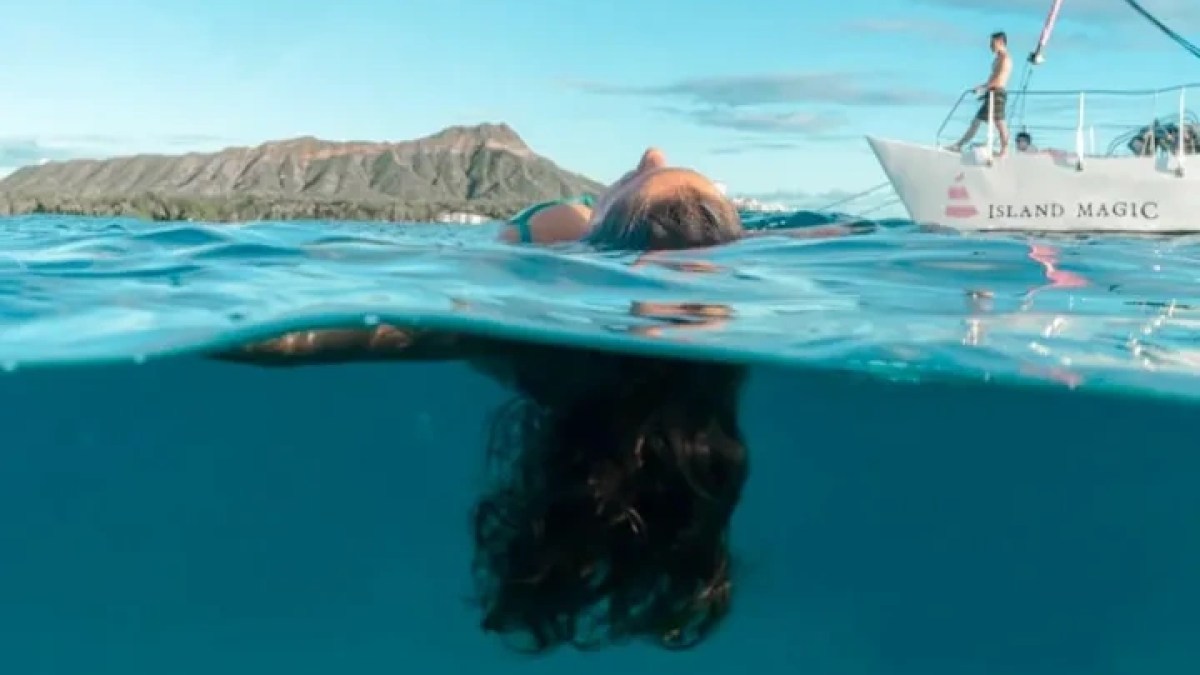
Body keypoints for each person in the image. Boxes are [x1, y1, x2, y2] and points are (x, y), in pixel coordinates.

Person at [214, 149, 751, 651]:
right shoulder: (708, 337)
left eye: (636, 180)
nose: (652, 152)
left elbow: (284, 341)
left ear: (602, 246)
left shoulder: (559, 246)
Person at [948, 31, 1013, 157]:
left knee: (1000, 122)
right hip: (991, 92)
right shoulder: (998, 58)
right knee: (976, 121)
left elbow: (998, 79)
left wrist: (983, 87)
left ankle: (1004, 151)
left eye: (992, 43)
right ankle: (959, 145)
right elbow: (992, 78)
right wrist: (985, 89)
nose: (990, 46)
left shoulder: (1005, 59)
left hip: (997, 93)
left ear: (1000, 42)